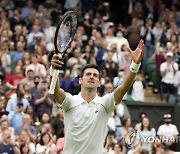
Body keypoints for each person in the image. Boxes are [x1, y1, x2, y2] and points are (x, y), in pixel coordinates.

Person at [50, 39, 144, 154]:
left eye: (95, 75)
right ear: (80, 80)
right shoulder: (71, 101)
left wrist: (135, 64)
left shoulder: (104, 103)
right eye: (88, 74)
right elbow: (56, 91)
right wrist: (53, 69)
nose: (91, 77)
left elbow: (123, 88)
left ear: (99, 82)